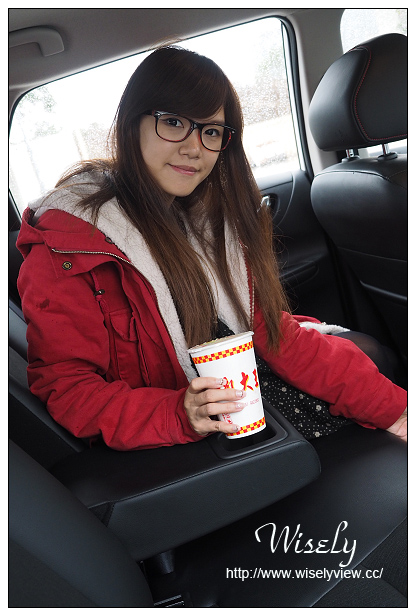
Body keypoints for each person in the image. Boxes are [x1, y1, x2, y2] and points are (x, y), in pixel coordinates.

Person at [17, 45, 407, 451]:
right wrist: (180, 414)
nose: (194, 148)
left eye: (211, 131)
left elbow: (275, 334)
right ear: (132, 122)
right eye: (173, 122)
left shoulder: (208, 222)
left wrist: (394, 410)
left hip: (253, 392)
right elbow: (69, 391)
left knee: (375, 357)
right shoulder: (69, 245)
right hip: (195, 434)